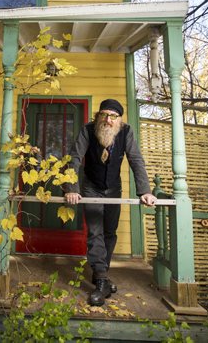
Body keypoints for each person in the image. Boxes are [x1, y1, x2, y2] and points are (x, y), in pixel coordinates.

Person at [63, 99, 157, 306]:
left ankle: (100, 275)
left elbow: (136, 159)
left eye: (113, 116)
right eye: (104, 115)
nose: (108, 120)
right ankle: (102, 281)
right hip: (91, 186)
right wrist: (72, 188)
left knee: (109, 232)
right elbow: (74, 159)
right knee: (95, 231)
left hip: (114, 188)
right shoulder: (88, 130)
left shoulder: (127, 132)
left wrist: (145, 191)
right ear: (98, 116)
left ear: (119, 120)